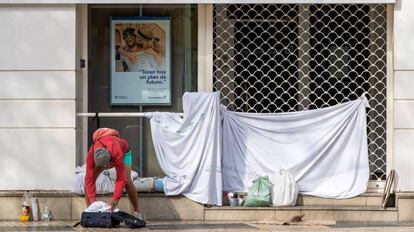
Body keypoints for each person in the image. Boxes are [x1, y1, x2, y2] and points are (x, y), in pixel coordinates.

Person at [84, 128, 141, 218]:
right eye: (103, 167)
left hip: (124, 151)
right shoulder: (91, 154)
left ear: (110, 160)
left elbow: (121, 179)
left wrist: (115, 201)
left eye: (107, 166)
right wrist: (93, 202)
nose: (105, 168)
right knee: (88, 182)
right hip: (104, 155)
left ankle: (137, 212)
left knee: (127, 180)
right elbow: (89, 179)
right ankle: (90, 213)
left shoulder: (117, 152)